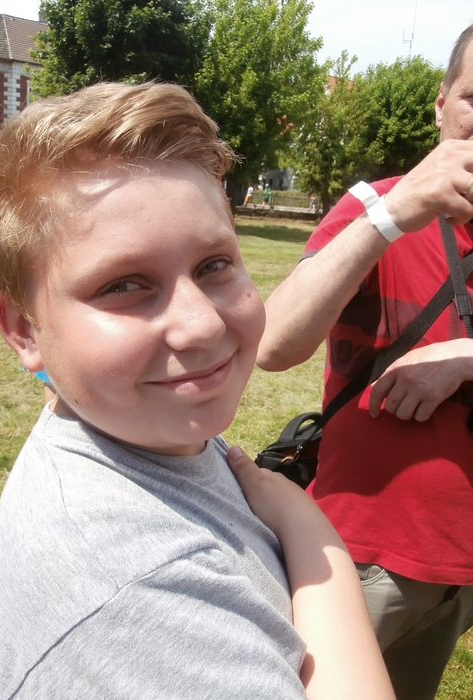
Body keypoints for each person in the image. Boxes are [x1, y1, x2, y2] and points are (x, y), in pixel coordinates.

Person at [0, 82, 394, 700]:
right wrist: (311, 532)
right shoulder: (132, 590)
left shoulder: (152, 433)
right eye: (124, 285)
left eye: (213, 265)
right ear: (22, 329)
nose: (203, 325)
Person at [257, 23, 473, 700]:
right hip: (361, 559)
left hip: (460, 570)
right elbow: (272, 345)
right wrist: (393, 214)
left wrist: (465, 355)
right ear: (440, 105)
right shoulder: (374, 207)